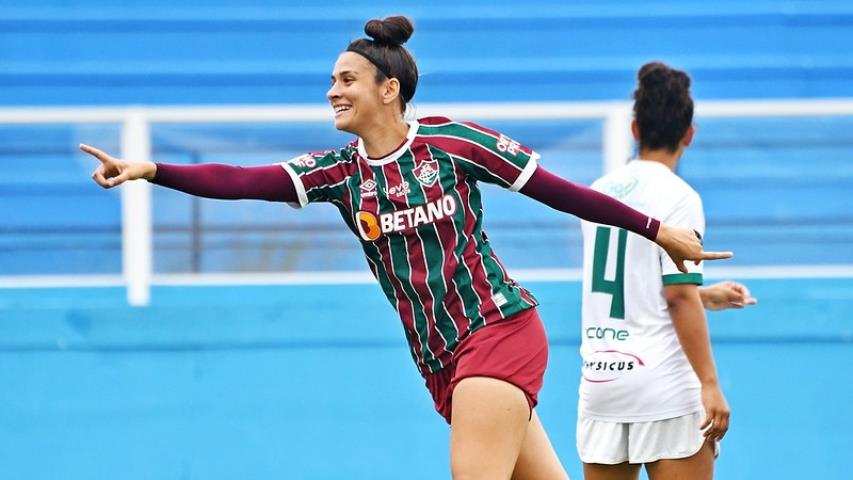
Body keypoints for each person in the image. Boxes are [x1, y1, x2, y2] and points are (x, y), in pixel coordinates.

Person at [82, 18, 731, 480]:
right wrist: (150, 170)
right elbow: (241, 181)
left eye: (346, 79)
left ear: (387, 88)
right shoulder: (337, 172)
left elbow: (560, 193)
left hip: (496, 332)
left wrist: (655, 230)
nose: (332, 90)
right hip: (438, 362)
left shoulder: (454, 142)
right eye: (330, 80)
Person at [577, 62, 755, 480]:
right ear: (689, 134)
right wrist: (709, 383)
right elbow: (676, 295)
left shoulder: (598, 191)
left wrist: (702, 294)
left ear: (635, 130)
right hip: (661, 387)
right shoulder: (680, 197)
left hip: (602, 383)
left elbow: (629, 278)